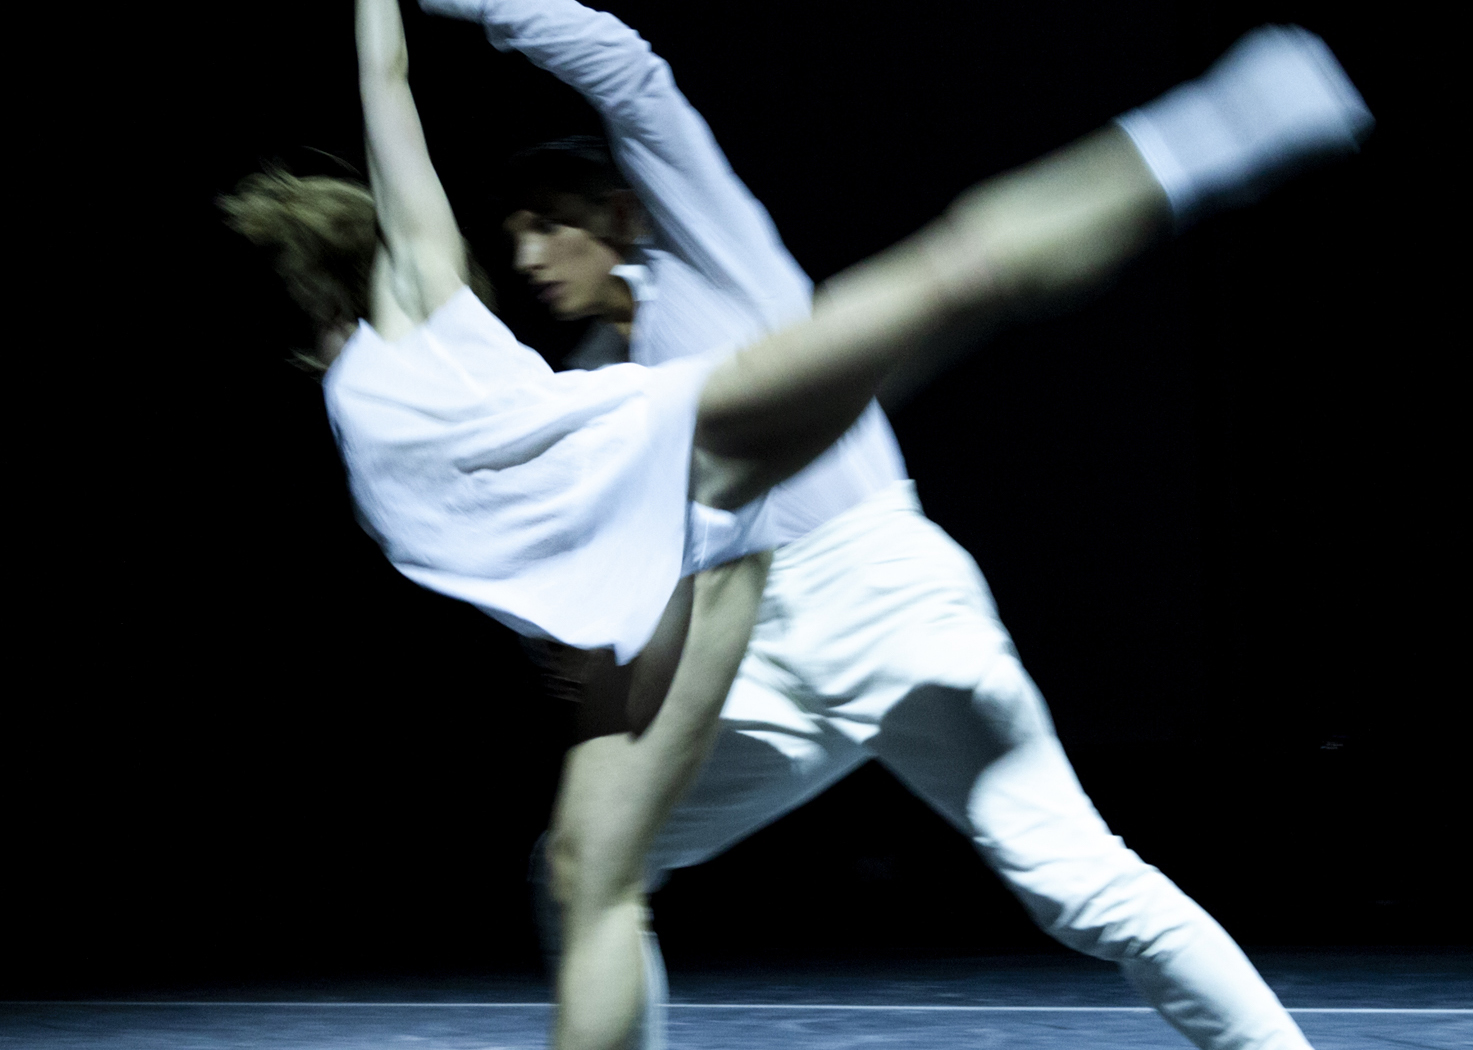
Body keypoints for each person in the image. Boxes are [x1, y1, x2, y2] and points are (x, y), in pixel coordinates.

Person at [421, 3, 1372, 1050]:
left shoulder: (705, 250)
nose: (528, 254)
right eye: (513, 235)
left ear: (619, 213)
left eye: (548, 222)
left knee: (1082, 886)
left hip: (883, 592)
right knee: (585, 866)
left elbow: (622, 66)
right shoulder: (593, 384)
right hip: (754, 657)